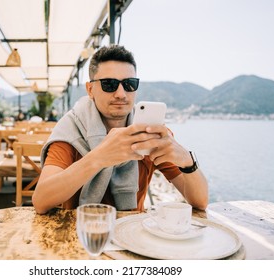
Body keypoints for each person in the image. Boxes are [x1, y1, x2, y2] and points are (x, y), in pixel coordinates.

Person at [32, 45, 208, 214]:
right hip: (80, 235)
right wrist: (99, 158)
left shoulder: (149, 134)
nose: (121, 94)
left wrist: (187, 161)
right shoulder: (71, 131)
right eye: (109, 84)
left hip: (132, 235)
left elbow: (200, 202)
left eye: (129, 84)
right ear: (90, 89)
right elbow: (41, 201)